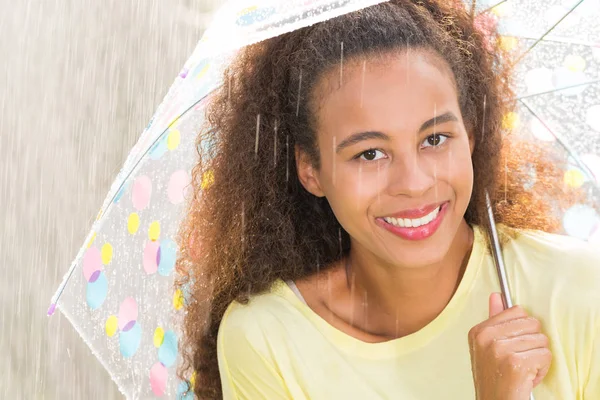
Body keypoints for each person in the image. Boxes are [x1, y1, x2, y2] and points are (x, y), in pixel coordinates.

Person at [175, 1, 600, 399]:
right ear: (311, 170)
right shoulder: (268, 338)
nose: (414, 184)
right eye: (370, 153)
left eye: (435, 138)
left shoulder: (579, 291)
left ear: (470, 134)